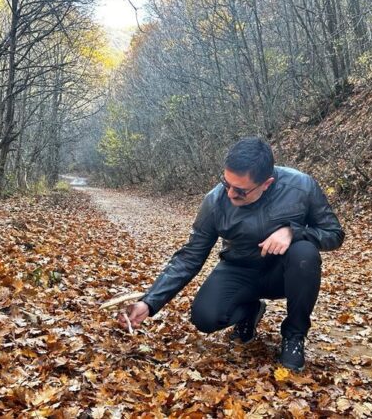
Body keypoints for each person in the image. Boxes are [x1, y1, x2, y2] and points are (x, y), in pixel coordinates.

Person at [118, 137, 344, 370]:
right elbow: (190, 256)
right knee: (204, 318)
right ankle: (250, 311)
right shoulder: (215, 201)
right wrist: (149, 302)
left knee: (305, 252)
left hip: (284, 273)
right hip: (239, 269)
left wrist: (293, 232)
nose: (230, 194)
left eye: (241, 191)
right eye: (226, 183)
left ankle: (294, 336)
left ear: (267, 183)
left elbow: (334, 234)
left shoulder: (301, 186)